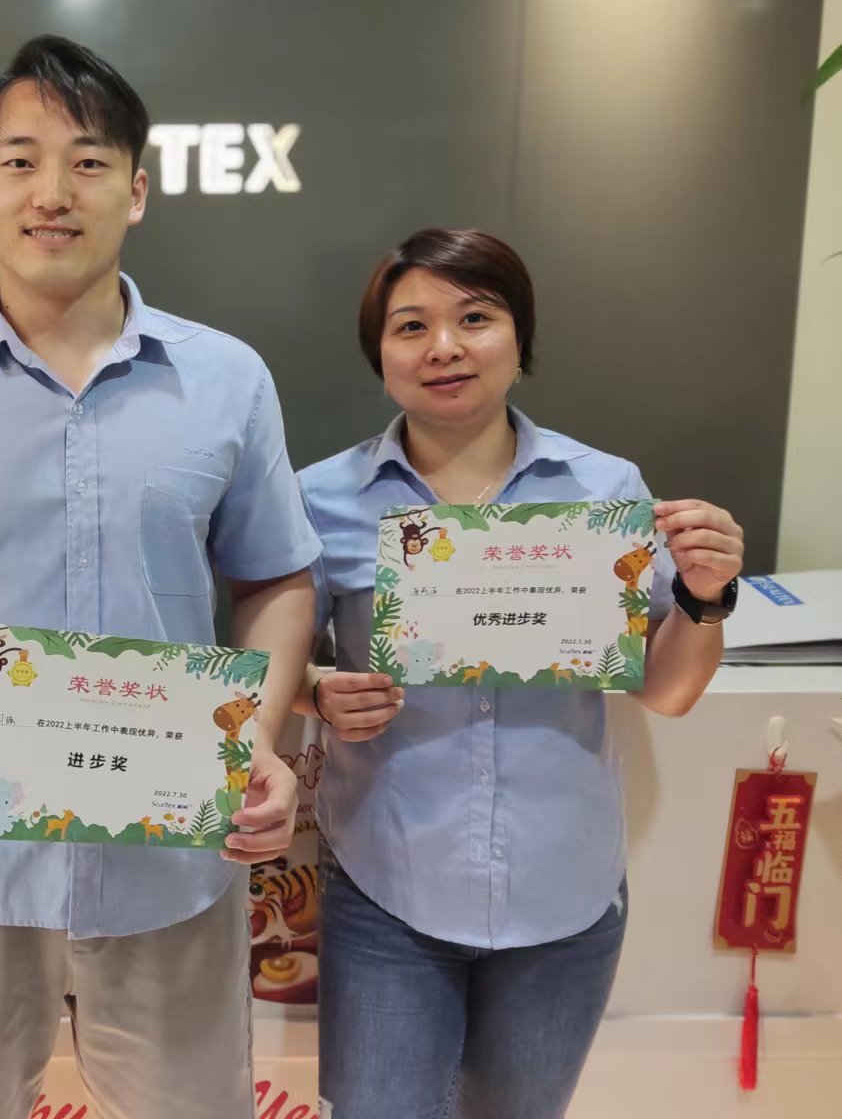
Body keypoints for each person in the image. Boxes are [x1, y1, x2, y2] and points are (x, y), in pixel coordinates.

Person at [0, 34, 321, 1119]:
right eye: (20, 160)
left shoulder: (226, 380)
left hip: (173, 852)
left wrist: (259, 735)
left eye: (87, 162)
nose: (52, 192)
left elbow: (275, 580)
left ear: (136, 191)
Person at [295, 228, 743, 1119]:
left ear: (519, 338)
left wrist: (706, 594)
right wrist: (318, 691)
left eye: (475, 318)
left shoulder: (602, 490)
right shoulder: (321, 498)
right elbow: (282, 664)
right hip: (388, 886)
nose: (445, 347)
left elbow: (666, 690)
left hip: (563, 895)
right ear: (381, 357)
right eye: (411, 326)